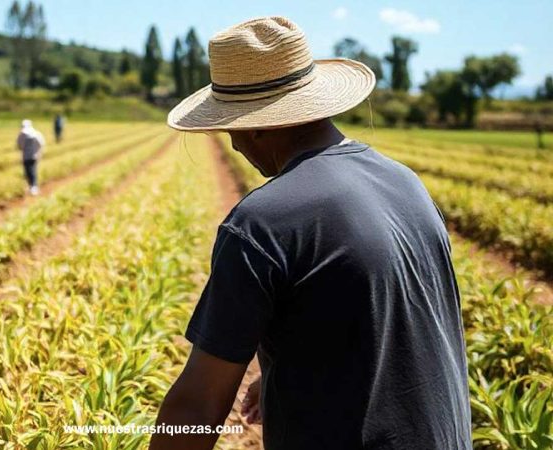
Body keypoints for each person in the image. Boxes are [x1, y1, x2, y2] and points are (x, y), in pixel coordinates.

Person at [150, 17, 471, 450]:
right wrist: (293, 363)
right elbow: (388, 313)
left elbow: (198, 407)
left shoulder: (262, 223)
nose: (233, 144)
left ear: (258, 123)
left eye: (230, 126)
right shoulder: (406, 183)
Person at [17, 119, 46, 196]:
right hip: (30, 156)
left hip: (30, 156)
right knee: (29, 172)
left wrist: (38, 153)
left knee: (31, 171)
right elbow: (41, 144)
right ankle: (32, 186)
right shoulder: (36, 134)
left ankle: (33, 187)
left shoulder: (22, 135)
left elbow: (19, 146)